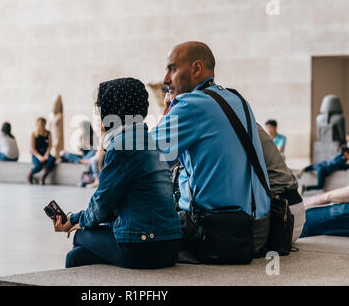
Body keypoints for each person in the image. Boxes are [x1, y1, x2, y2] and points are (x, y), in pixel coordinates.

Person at [152, 41, 271, 255]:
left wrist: (166, 113)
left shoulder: (192, 105)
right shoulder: (237, 99)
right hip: (259, 226)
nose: (166, 79)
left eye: (172, 68)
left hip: (219, 233)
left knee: (120, 236)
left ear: (196, 68)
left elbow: (145, 155)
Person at [53, 77, 182, 269]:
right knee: (78, 256)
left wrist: (77, 224)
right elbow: (113, 204)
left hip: (143, 246)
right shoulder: (149, 140)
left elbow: (103, 203)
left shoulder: (123, 146)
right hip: (170, 245)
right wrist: (74, 219)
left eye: (98, 110)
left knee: (81, 236)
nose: (97, 117)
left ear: (113, 110)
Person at [161, 88, 305, 243]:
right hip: (290, 212)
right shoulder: (235, 116)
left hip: (278, 219)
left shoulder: (206, 121)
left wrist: (167, 119)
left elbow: (159, 157)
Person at [28, 117, 56, 185]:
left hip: (46, 153)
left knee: (52, 159)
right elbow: (32, 148)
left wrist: (46, 155)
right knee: (38, 165)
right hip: (37, 154)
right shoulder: (34, 134)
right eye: (41, 124)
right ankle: (30, 174)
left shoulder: (48, 133)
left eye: (44, 124)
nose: (42, 126)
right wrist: (39, 157)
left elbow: (50, 146)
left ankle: (43, 177)